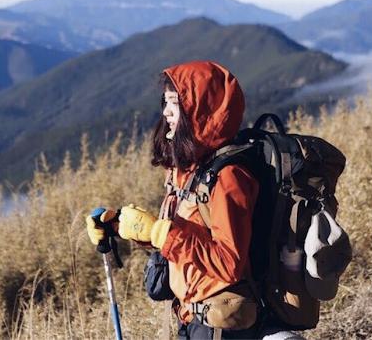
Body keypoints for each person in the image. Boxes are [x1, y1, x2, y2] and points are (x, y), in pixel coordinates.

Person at [87, 61, 301, 339]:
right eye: (165, 102)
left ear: (200, 109)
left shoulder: (229, 177)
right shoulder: (189, 170)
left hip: (222, 325)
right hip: (192, 316)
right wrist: (122, 226)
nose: (166, 112)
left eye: (174, 103)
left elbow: (228, 262)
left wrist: (159, 232)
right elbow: (186, 239)